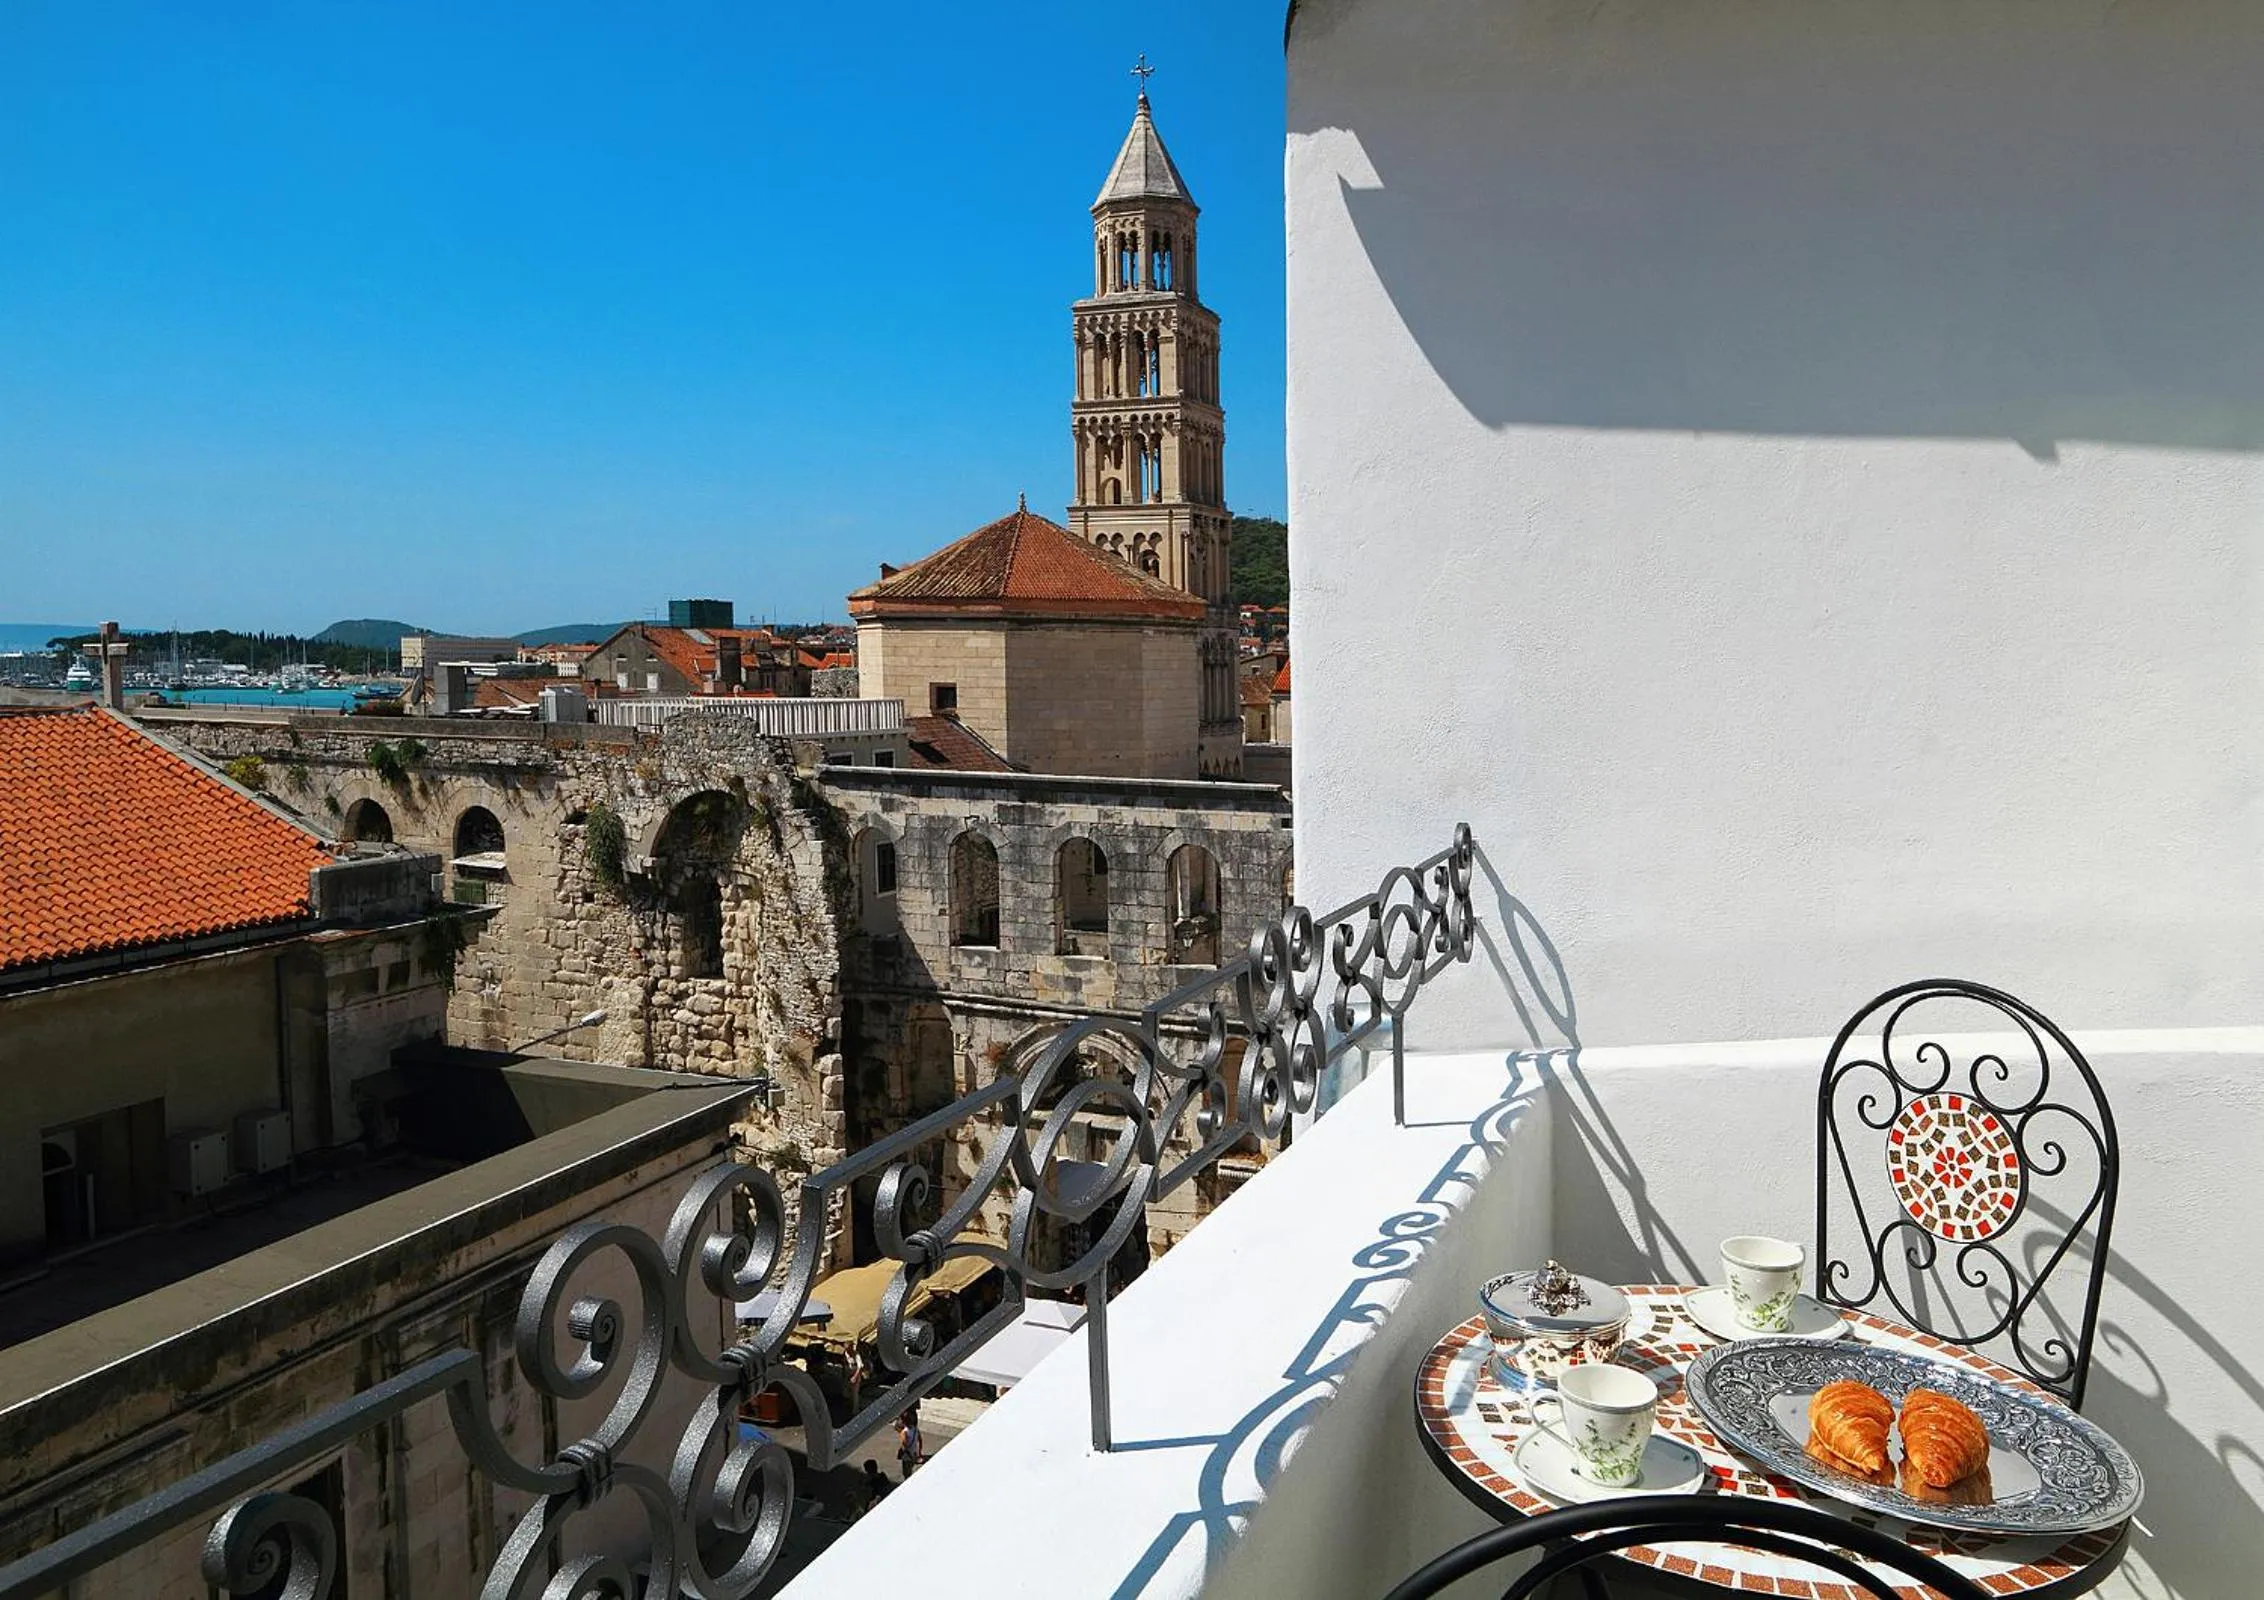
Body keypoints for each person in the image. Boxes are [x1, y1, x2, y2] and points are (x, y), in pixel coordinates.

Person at [894, 1411, 924, 1478]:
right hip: (914, 1452)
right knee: (910, 1469)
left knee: (906, 1473)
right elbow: (920, 1440)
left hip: (908, 1456)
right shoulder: (916, 1429)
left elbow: (904, 1445)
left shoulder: (904, 1432)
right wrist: (919, 1452)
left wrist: (909, 1454)